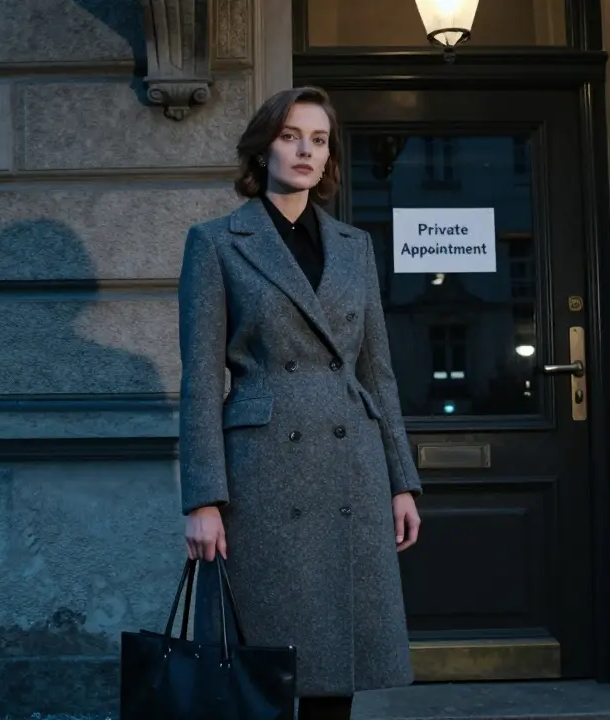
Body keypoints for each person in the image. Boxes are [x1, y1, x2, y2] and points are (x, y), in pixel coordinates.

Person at [176, 85, 423, 719]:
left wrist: (402, 481)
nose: (305, 150)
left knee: (333, 667)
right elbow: (202, 378)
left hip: (351, 462)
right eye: (290, 136)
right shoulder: (217, 242)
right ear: (264, 150)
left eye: (318, 139)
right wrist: (203, 498)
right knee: (261, 667)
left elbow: (378, 372)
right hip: (262, 470)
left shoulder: (353, 246)